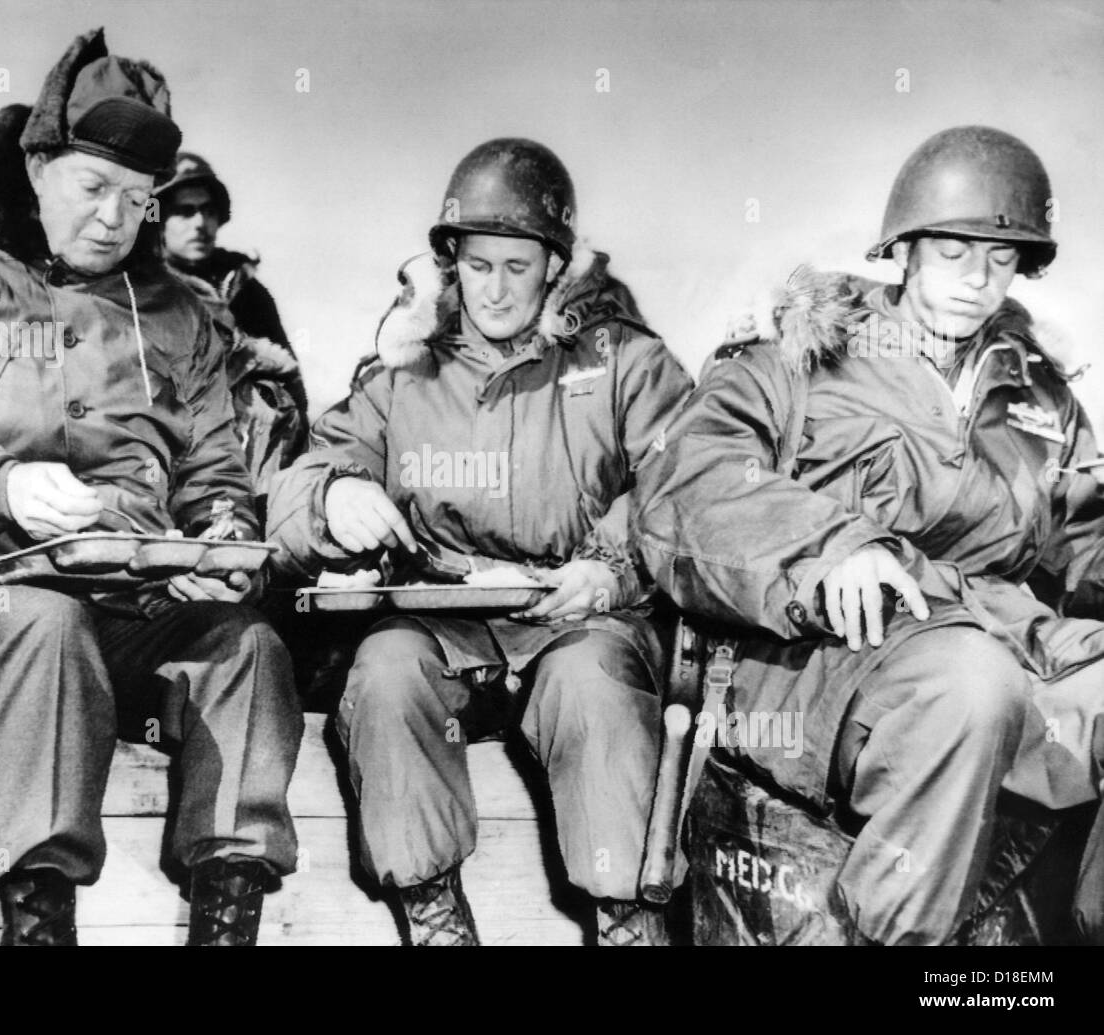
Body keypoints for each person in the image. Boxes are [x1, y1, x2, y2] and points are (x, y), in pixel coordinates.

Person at [0, 28, 303, 946]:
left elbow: (213, 477)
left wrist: (219, 541)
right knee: (44, 628)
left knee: (248, 649)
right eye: (92, 187)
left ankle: (227, 919)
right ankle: (39, 930)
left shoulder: (183, 317)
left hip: (127, 603)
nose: (116, 219)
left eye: (137, 199)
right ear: (37, 166)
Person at [634, 125, 1104, 945]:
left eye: (1001, 258)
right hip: (822, 653)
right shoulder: (805, 354)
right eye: (954, 251)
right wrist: (827, 544)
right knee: (968, 687)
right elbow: (685, 482)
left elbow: (1080, 542)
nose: (976, 279)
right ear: (907, 247)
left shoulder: (1040, 398)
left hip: (999, 631)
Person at [268, 138, 694, 945]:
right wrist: (336, 496)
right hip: (445, 616)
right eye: (478, 264)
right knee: (386, 672)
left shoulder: (622, 361)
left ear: (557, 269)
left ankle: (629, 919)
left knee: (596, 687)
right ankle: (435, 920)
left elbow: (684, 478)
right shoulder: (401, 373)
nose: (495, 288)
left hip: (580, 613)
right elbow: (300, 481)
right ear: (450, 264)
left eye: (518, 266)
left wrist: (609, 568)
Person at [155, 153, 308, 507]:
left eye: (208, 211)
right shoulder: (145, 288)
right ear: (159, 220)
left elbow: (292, 383)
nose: (199, 223)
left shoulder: (246, 290)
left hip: (255, 459)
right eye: (185, 211)